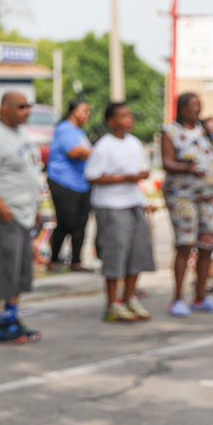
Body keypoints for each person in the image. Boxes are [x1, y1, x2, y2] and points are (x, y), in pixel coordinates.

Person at [0, 92, 44, 343]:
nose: (26, 111)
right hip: (1, 216)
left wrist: (33, 208)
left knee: (18, 273)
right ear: (4, 108)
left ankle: (12, 320)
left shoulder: (20, 134)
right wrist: (3, 209)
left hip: (23, 215)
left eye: (29, 106)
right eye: (21, 106)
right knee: (0, 272)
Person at [162, 92, 213, 317]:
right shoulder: (171, 132)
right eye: (194, 106)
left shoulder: (205, 132)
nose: (198, 109)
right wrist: (187, 168)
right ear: (182, 109)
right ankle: (177, 298)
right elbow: (167, 162)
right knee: (185, 244)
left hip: (206, 197)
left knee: (206, 245)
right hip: (183, 196)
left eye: (199, 105)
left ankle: (201, 296)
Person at [84, 102, 154, 322]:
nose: (129, 119)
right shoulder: (105, 145)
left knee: (138, 251)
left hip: (134, 202)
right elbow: (93, 176)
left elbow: (140, 170)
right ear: (111, 121)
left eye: (130, 115)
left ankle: (130, 297)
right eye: (123, 116)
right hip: (111, 205)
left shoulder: (134, 143)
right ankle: (112, 303)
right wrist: (125, 178)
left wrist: (141, 177)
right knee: (116, 253)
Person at [46, 100, 94, 271]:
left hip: (82, 182)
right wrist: (96, 152)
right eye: (84, 111)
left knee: (81, 223)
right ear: (73, 111)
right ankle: (54, 260)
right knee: (67, 221)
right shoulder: (65, 129)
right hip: (63, 181)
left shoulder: (80, 132)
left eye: (89, 112)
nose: (87, 115)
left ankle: (76, 261)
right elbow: (75, 152)